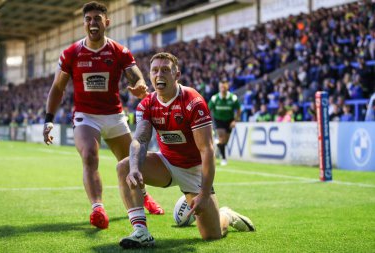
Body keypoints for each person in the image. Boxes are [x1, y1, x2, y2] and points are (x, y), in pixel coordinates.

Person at [42, 1, 164, 230]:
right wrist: (49, 120)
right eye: (88, 19)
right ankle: (97, 208)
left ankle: (145, 197)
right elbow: (57, 88)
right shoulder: (71, 53)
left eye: (97, 18)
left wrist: (139, 86)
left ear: (106, 22)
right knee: (89, 155)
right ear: (84, 24)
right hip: (86, 116)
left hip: (115, 115)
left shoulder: (119, 51)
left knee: (132, 162)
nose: (92, 23)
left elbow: (135, 75)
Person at [116, 52, 255, 249]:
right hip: (166, 163)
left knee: (212, 235)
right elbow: (140, 138)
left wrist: (205, 194)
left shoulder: (193, 101)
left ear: (177, 75)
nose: (159, 75)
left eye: (165, 70)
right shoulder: (147, 104)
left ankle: (226, 214)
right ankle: (141, 231)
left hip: (193, 170)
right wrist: (135, 168)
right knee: (124, 167)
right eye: (155, 70)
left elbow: (207, 150)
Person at [207, 81, 241, 166]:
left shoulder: (233, 98)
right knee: (222, 138)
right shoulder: (215, 98)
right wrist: (208, 121)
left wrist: (235, 121)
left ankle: (218, 144)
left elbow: (239, 110)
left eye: (224, 87)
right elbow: (207, 109)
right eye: (221, 87)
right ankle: (224, 158)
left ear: (227, 87)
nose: (223, 89)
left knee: (226, 141)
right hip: (218, 121)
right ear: (219, 88)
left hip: (229, 121)